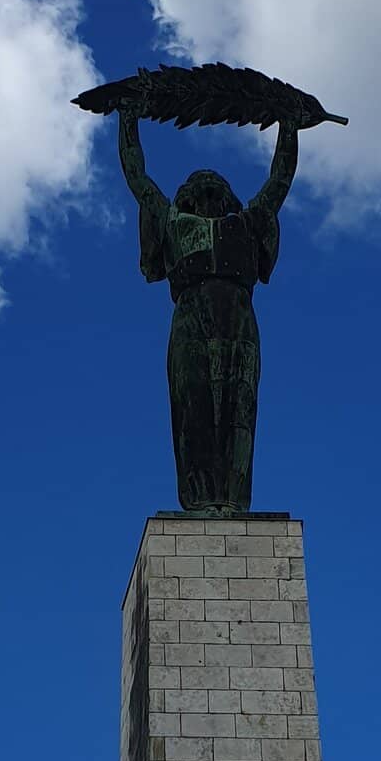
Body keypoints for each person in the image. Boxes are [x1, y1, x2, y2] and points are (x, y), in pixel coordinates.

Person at [118, 108, 299, 513]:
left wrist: (289, 127)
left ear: (227, 196)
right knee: (194, 407)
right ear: (186, 197)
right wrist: (127, 120)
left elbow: (279, 182)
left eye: (214, 185)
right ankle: (199, 499)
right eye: (198, 186)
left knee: (239, 408)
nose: (206, 188)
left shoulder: (247, 223)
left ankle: (233, 500)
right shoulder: (173, 222)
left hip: (238, 317)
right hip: (191, 316)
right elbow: (138, 180)